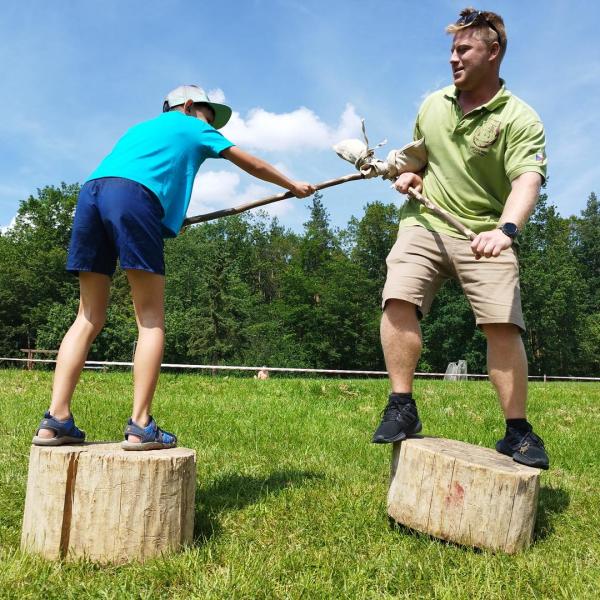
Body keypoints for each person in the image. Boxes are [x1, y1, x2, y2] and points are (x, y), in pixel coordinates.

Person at [33, 84, 315, 450]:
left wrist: (162, 218)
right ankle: (140, 425)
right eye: (207, 114)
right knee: (151, 320)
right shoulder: (191, 124)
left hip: (92, 194)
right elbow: (249, 161)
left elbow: (135, 177)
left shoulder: (139, 129)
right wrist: (291, 184)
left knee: (87, 316)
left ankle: (55, 421)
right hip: (134, 198)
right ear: (186, 105)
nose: (210, 123)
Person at [371, 8, 550, 469]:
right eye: (451, 49)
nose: (453, 58)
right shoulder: (433, 105)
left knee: (502, 324)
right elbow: (418, 160)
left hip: (485, 232)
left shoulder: (519, 117)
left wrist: (505, 232)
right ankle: (402, 406)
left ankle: (517, 432)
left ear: (493, 53)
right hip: (425, 224)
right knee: (398, 297)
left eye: (463, 49)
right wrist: (408, 176)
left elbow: (526, 180)